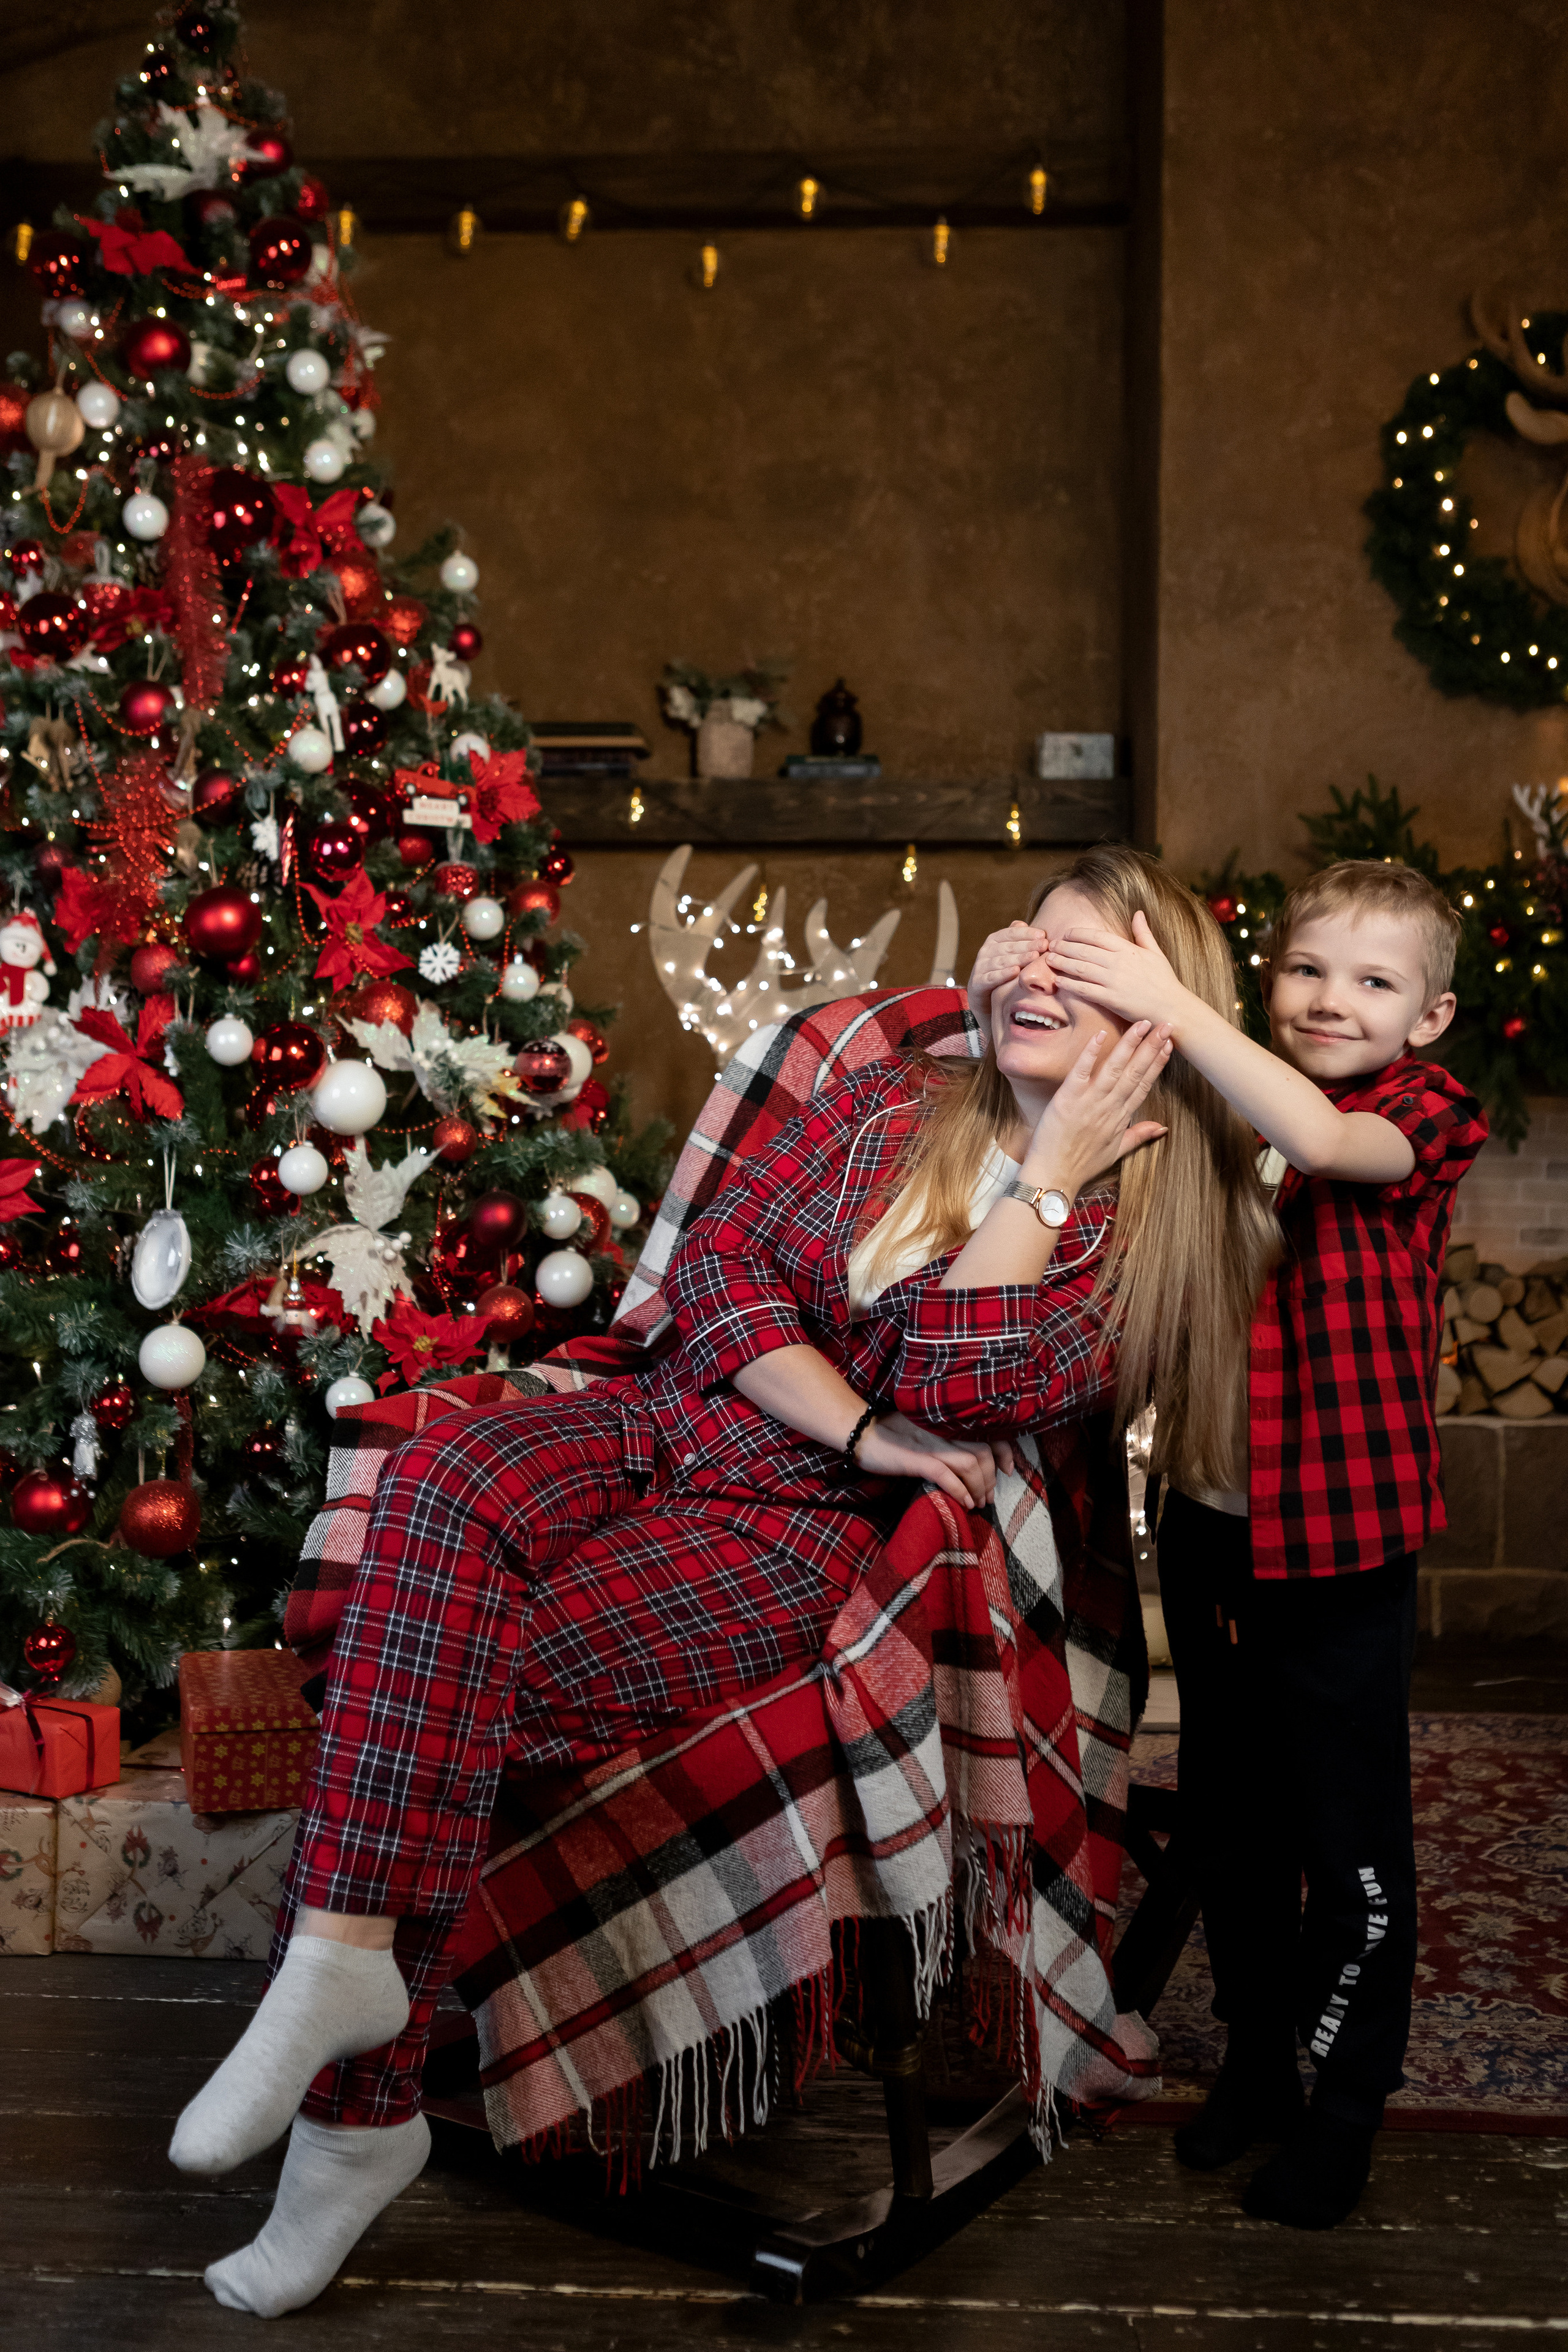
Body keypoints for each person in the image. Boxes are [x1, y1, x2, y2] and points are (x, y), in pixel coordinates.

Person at [171, 845, 1275, 2318]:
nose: (1031, 971)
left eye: (1087, 965)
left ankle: (352, 2104)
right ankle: (342, 1968)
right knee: (440, 1483)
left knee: (468, 1667)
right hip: (669, 1412)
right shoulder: (894, 1096)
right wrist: (859, 1415)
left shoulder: (1125, 1243)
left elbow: (957, 1376)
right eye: (1029, 940)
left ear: (1158, 1027)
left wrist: (1047, 1174)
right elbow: (723, 1269)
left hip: (790, 1532)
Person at [1028, 856, 1488, 2230]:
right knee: (1232, 1822)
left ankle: (1347, 2105)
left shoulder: (1420, 1113)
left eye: (1372, 981)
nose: (1330, 1000)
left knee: (1348, 1841)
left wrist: (1174, 999)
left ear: (1430, 1017)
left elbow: (1329, 1142)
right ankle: (1255, 2069)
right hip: (1210, 1522)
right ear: (1267, 976)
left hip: (1343, 1542)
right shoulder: (1219, 1108)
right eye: (1305, 969)